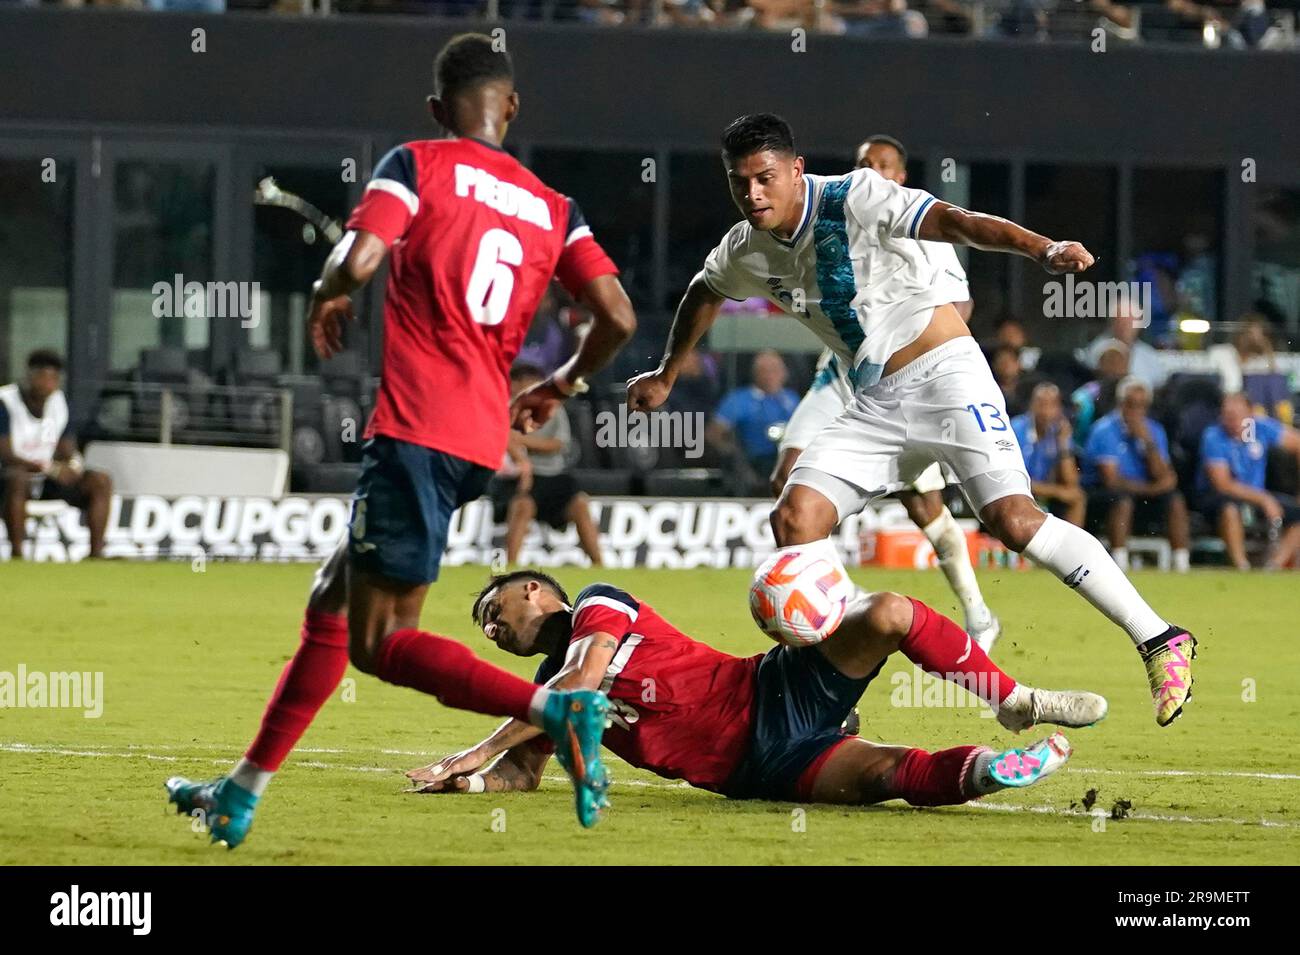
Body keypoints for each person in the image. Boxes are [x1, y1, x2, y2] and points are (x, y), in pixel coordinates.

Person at [164, 34, 639, 846]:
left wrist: (327, 290)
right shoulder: (555, 208)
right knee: (330, 606)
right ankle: (240, 792)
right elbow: (620, 317)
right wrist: (561, 384)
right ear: (511, 108)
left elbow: (362, 255)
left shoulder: (416, 163)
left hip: (415, 428)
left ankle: (554, 707)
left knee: (382, 646)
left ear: (435, 109)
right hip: (477, 443)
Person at [628, 113, 1195, 727]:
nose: (753, 195)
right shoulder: (745, 245)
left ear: (795, 170)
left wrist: (1042, 247)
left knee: (1013, 520)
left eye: (765, 178)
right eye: (740, 183)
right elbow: (704, 292)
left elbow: (956, 222)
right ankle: (830, 690)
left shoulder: (855, 194)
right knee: (794, 518)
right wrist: (667, 372)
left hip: (947, 374)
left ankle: (1160, 639)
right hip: (873, 401)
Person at [405, 570, 1104, 808]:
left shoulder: (598, 604)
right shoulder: (541, 697)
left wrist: (473, 747)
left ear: (533, 591)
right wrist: (468, 784)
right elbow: (522, 777)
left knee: (889, 611)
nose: (492, 630)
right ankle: (996, 770)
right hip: (760, 769)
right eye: (486, 629)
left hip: (770, 691)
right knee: (891, 774)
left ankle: (1010, 698)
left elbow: (582, 680)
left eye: (494, 613)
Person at [771, 134, 1001, 653]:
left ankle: (978, 613)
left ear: (900, 175)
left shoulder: (923, 229)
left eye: (883, 164)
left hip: (902, 374)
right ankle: (835, 603)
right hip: (838, 376)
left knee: (923, 506)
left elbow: (956, 308)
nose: (872, 170)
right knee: (788, 477)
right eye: (863, 163)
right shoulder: (828, 218)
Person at [1, 349, 113, 560]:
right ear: (30, 376)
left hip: (46, 480)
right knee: (17, 479)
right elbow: (6, 454)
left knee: (100, 480)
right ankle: (17, 555)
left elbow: (67, 449)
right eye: (43, 376)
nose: (49, 383)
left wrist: (73, 465)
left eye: (54, 377)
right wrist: (51, 468)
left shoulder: (59, 403)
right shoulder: (5, 402)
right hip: (9, 479)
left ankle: (96, 554)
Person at [490, 363, 603, 567]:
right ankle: (511, 565)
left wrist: (522, 441)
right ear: (514, 385)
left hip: (553, 475)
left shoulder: (552, 408)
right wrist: (523, 459)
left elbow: (558, 444)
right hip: (518, 477)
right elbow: (504, 438)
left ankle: (599, 564)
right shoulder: (504, 408)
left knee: (580, 504)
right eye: (527, 385)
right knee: (522, 507)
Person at [1082, 377, 1191, 573]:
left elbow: (1165, 475)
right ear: (1121, 403)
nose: (1136, 411)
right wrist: (1153, 488)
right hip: (1104, 494)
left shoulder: (1154, 430)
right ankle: (1120, 560)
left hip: (1143, 492)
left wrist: (1147, 442)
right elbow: (1111, 480)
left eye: (1142, 405)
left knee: (1175, 500)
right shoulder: (1104, 430)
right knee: (1122, 500)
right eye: (1131, 404)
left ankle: (1182, 562)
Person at [1197, 392, 1300, 570]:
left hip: (1257, 493)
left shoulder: (1261, 428)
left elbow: (1297, 443)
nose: (1232, 422)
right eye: (1227, 416)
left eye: (1237, 416)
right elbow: (1223, 484)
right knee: (1229, 509)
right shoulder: (1213, 436)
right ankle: (1241, 565)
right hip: (1222, 495)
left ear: (1250, 414)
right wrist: (1264, 499)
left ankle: (1274, 565)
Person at [709, 349, 800, 489]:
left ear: (784, 373)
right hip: (750, 462)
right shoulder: (739, 399)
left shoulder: (791, 399)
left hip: (785, 460)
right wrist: (732, 454)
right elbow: (714, 432)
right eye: (764, 370)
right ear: (755, 373)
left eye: (775, 370)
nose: (770, 375)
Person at [1011, 383, 1085, 527]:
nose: (1045, 411)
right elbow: (1015, 480)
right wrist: (1057, 492)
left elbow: (1071, 482)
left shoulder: (1060, 431)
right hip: (1019, 491)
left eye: (1052, 405)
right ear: (1031, 405)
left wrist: (1063, 445)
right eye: (1041, 404)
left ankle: (1068, 548)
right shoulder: (1016, 428)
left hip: (1045, 492)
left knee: (1077, 497)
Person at [1077, 304, 1167, 391]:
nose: (1126, 327)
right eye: (1122, 322)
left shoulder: (1148, 353)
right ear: (1112, 323)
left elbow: (1160, 382)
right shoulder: (1099, 349)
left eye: (1131, 322)